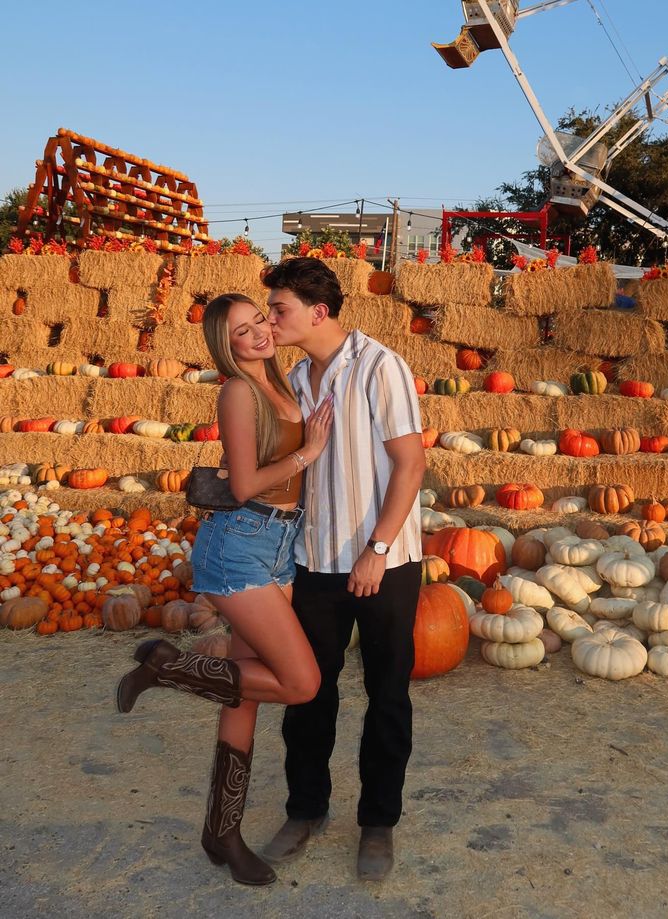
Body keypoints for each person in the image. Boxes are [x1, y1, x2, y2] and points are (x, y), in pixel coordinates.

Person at [115, 293, 333, 887]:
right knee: (301, 682)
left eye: (259, 320)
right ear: (226, 345)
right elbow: (241, 485)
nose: (258, 333)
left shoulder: (283, 384)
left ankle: (222, 834)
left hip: (279, 547)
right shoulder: (238, 391)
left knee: (244, 699)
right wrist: (309, 453)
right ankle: (168, 670)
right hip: (240, 545)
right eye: (241, 332)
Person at [259, 257, 426, 881]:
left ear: (318, 312)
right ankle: (305, 810)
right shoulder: (298, 378)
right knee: (307, 692)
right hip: (315, 560)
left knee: (387, 694)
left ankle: (378, 824)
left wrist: (376, 550)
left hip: (384, 560)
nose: (271, 321)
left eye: (280, 310)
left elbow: (410, 465)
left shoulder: (381, 367)